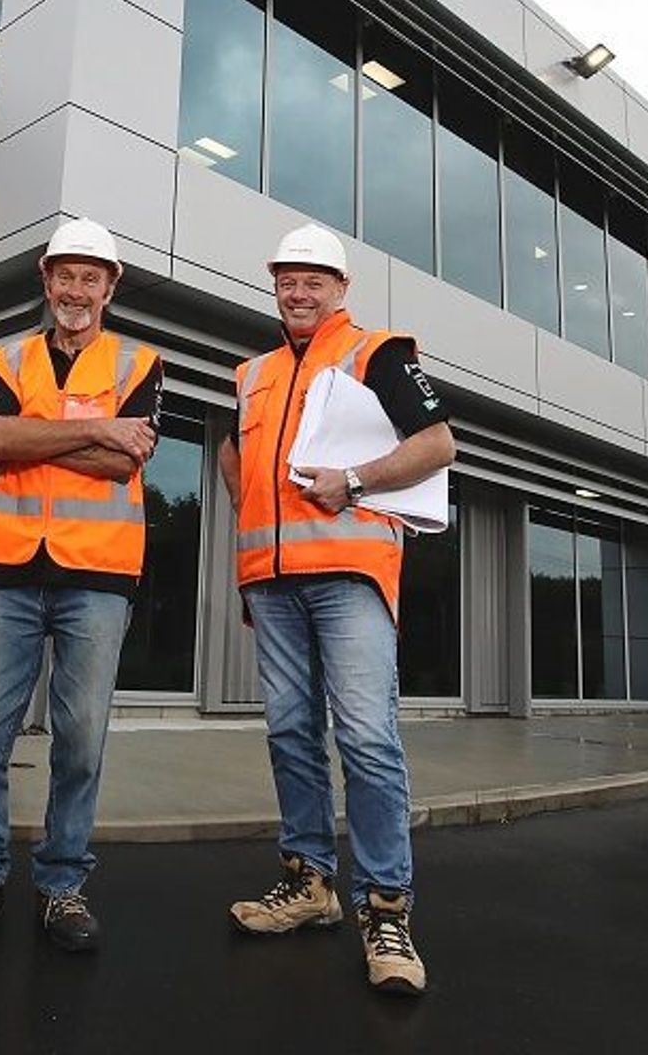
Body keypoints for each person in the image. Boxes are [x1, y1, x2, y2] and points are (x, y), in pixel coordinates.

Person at [217, 221, 454, 997]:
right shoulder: (250, 373)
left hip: (349, 571)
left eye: (315, 280)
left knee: (365, 736)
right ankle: (308, 883)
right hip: (272, 578)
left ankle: (386, 908)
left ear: (340, 289)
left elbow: (438, 445)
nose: (299, 290)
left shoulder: (376, 353)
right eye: (287, 278)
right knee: (289, 732)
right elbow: (233, 455)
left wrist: (351, 483)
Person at [0, 217, 163, 954]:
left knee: (81, 740)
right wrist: (92, 433)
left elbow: (125, 464)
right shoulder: (8, 358)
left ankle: (61, 886)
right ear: (46, 279)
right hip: (9, 568)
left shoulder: (138, 362)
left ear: (110, 286)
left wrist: (41, 437)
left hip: (98, 574)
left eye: (92, 276)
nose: (77, 289)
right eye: (66, 274)